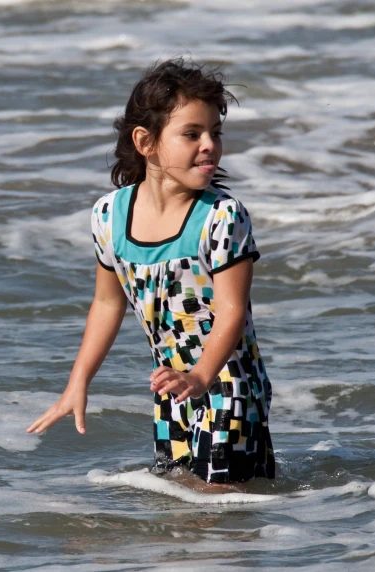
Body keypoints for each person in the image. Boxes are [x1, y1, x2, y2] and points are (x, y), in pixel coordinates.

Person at [27, 58, 275, 485]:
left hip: (227, 383)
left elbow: (231, 312)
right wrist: (78, 382)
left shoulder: (221, 217)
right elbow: (107, 303)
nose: (210, 145)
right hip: (170, 390)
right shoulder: (109, 215)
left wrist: (200, 376)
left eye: (215, 133)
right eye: (191, 134)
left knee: (221, 509)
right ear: (146, 142)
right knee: (180, 506)